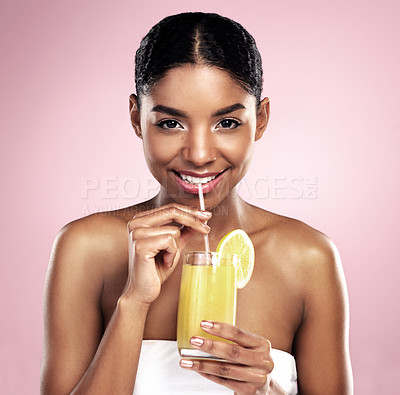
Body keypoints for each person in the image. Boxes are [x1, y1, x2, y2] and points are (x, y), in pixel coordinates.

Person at [40, 12, 353, 395]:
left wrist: (265, 391)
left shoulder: (309, 259)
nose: (200, 154)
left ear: (262, 118)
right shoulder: (86, 248)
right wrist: (134, 303)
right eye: (171, 123)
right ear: (138, 119)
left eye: (227, 123)